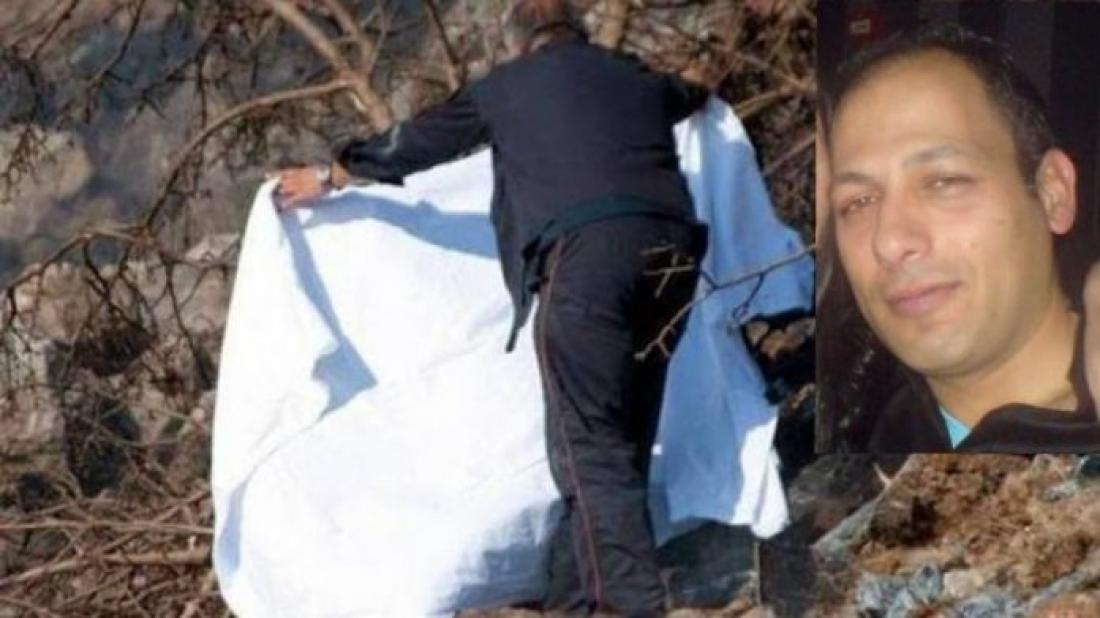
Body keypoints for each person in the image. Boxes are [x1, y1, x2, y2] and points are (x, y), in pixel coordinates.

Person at [273, 0, 720, 613]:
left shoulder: (506, 87)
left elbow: (418, 141)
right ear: (578, 31)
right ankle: (574, 601)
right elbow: (693, 93)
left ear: (517, 43)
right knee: (623, 435)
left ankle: (629, 608)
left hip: (587, 263)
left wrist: (332, 174)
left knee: (589, 447)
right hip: (673, 259)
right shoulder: (632, 76)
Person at [819, 23, 1100, 453]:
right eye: (858, 202)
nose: (890, 241)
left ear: (1052, 193)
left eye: (944, 182)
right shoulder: (841, 429)